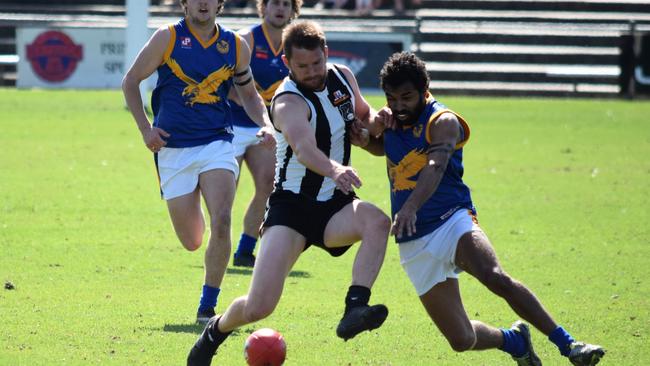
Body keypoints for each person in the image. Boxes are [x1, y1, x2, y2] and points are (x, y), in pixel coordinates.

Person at [358, 51, 606, 366]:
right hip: (414, 239)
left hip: (452, 221)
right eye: (392, 98)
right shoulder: (393, 119)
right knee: (462, 340)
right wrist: (364, 139)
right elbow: (387, 148)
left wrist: (409, 207)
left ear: (424, 89)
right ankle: (514, 341)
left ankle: (570, 345)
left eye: (406, 97)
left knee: (495, 276)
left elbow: (435, 165)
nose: (399, 105)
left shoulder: (443, 121)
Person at [187, 20, 392, 365]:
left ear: (326, 54)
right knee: (259, 305)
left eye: (316, 63)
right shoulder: (287, 101)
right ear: (287, 63)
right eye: (302, 67)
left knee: (377, 221)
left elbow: (363, 114)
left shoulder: (342, 75)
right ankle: (215, 331)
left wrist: (376, 122)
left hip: (335, 204)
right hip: (291, 209)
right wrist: (335, 169)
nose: (311, 72)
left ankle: (355, 307)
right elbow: (303, 148)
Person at [121, 0, 275, 325]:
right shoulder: (167, 38)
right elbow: (130, 81)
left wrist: (265, 123)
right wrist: (145, 129)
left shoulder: (235, 45)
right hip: (172, 148)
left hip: (217, 142)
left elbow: (249, 95)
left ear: (220, 4)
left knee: (222, 219)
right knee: (192, 240)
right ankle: (199, 216)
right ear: (184, 3)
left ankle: (207, 308)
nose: (203, 3)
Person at [229, 0, 303, 268]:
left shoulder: (297, 45)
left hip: (267, 128)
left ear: (294, 10)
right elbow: (223, 84)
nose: (280, 8)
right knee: (226, 192)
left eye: (286, 4)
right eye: (275, 3)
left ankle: (245, 250)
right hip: (233, 126)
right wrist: (252, 98)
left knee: (269, 185)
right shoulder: (246, 39)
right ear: (263, 7)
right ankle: (218, 244)